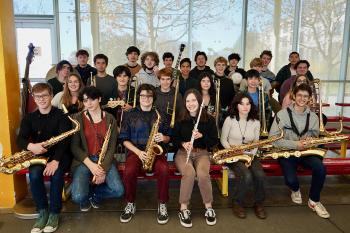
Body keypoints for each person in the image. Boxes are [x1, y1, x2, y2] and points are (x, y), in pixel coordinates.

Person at [17, 83, 72, 233]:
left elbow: (64, 141)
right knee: (34, 175)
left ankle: (54, 212)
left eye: (45, 95)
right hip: (39, 154)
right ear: (34, 98)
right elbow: (20, 139)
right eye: (37, 96)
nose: (41, 99)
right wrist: (31, 146)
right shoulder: (29, 118)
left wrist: (55, 161)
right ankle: (42, 211)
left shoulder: (61, 115)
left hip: (60, 154)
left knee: (57, 174)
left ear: (51, 96)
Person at [269, 83, 329, 219]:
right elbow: (273, 140)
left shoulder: (314, 117)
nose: (302, 98)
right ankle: (295, 189)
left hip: (307, 152)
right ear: (294, 96)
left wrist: (311, 140)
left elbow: (316, 137)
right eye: (300, 95)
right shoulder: (282, 114)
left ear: (309, 99)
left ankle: (314, 200)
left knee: (321, 169)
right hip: (287, 152)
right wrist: (296, 144)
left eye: (306, 96)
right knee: (291, 181)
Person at [119, 84, 171, 224]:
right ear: (139, 97)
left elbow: (169, 136)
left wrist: (164, 138)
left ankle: (162, 203)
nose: (146, 99)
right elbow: (123, 139)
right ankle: (130, 202)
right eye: (143, 96)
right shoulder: (130, 115)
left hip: (156, 151)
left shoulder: (161, 114)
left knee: (164, 170)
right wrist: (138, 152)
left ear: (153, 98)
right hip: (136, 151)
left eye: (149, 96)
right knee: (129, 171)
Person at [70, 86, 124, 212]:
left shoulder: (110, 118)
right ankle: (85, 196)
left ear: (99, 99)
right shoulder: (77, 118)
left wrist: (102, 169)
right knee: (77, 197)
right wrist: (92, 166)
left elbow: (112, 147)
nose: (89, 103)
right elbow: (74, 147)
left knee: (118, 191)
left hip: (105, 159)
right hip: (84, 160)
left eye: (92, 99)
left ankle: (96, 194)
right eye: (85, 100)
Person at [173, 88, 218, 227]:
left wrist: (202, 136)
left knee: (203, 174)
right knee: (189, 173)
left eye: (193, 100)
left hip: (202, 153)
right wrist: (182, 143)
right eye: (187, 100)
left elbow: (214, 141)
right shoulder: (180, 118)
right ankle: (184, 208)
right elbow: (174, 139)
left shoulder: (209, 119)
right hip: (182, 153)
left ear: (199, 101)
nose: (190, 103)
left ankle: (208, 207)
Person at [221, 93, 266, 219]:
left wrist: (250, 156)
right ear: (236, 105)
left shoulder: (256, 122)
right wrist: (233, 152)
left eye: (248, 103)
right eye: (242, 104)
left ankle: (259, 203)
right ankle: (237, 202)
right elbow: (224, 140)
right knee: (246, 175)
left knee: (260, 175)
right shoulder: (229, 119)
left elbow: (256, 143)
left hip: (250, 155)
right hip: (232, 155)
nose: (245, 107)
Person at [213, 56, 235, 121]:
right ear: (215, 66)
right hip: (212, 112)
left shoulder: (229, 81)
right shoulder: (210, 79)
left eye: (223, 65)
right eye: (218, 65)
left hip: (225, 112)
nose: (221, 67)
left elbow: (232, 97)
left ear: (226, 66)